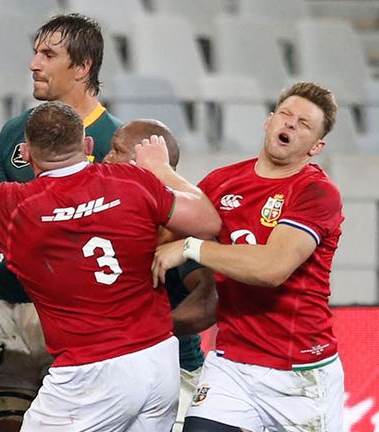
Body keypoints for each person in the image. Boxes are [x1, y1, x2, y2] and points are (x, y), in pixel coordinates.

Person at [0, 101, 221, 431]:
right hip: (158, 361)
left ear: (27, 153)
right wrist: (162, 170)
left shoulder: (14, 204)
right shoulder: (134, 182)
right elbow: (208, 220)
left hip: (90, 372)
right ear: (88, 146)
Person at [0, 14, 124, 430]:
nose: (33, 64)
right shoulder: (16, 132)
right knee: (3, 421)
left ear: (82, 67)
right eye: (35, 53)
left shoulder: (119, 140)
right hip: (12, 303)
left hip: (81, 314)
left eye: (48, 55)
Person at [151, 82, 345, 432]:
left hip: (299, 373)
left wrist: (190, 248)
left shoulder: (316, 192)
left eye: (304, 124)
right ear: (269, 121)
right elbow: (166, 232)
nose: (290, 124)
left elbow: (272, 268)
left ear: (316, 147)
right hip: (232, 364)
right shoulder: (222, 183)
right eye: (285, 115)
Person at [104, 119, 217, 432]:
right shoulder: (104, 211)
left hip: (174, 371)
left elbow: (208, 302)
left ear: (148, 165)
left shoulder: (177, 228)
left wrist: (146, 330)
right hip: (110, 368)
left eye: (116, 151)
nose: (106, 158)